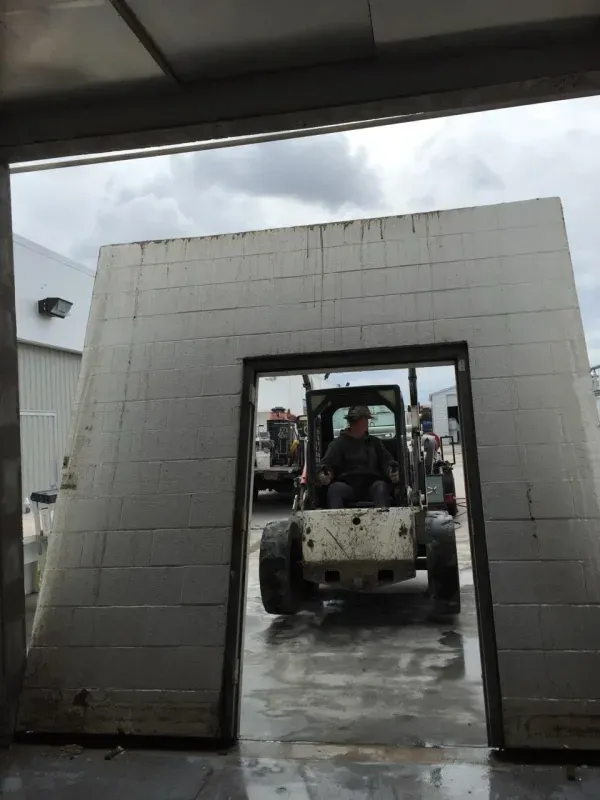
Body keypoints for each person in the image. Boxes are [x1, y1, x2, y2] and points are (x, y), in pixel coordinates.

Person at [316, 405, 400, 509]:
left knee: (381, 487)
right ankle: (337, 523)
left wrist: (391, 471)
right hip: (347, 486)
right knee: (335, 489)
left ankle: (385, 521)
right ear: (355, 421)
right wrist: (325, 475)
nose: (366, 423)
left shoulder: (374, 443)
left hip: (371, 485)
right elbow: (326, 464)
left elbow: (387, 461)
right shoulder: (337, 444)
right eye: (365, 419)